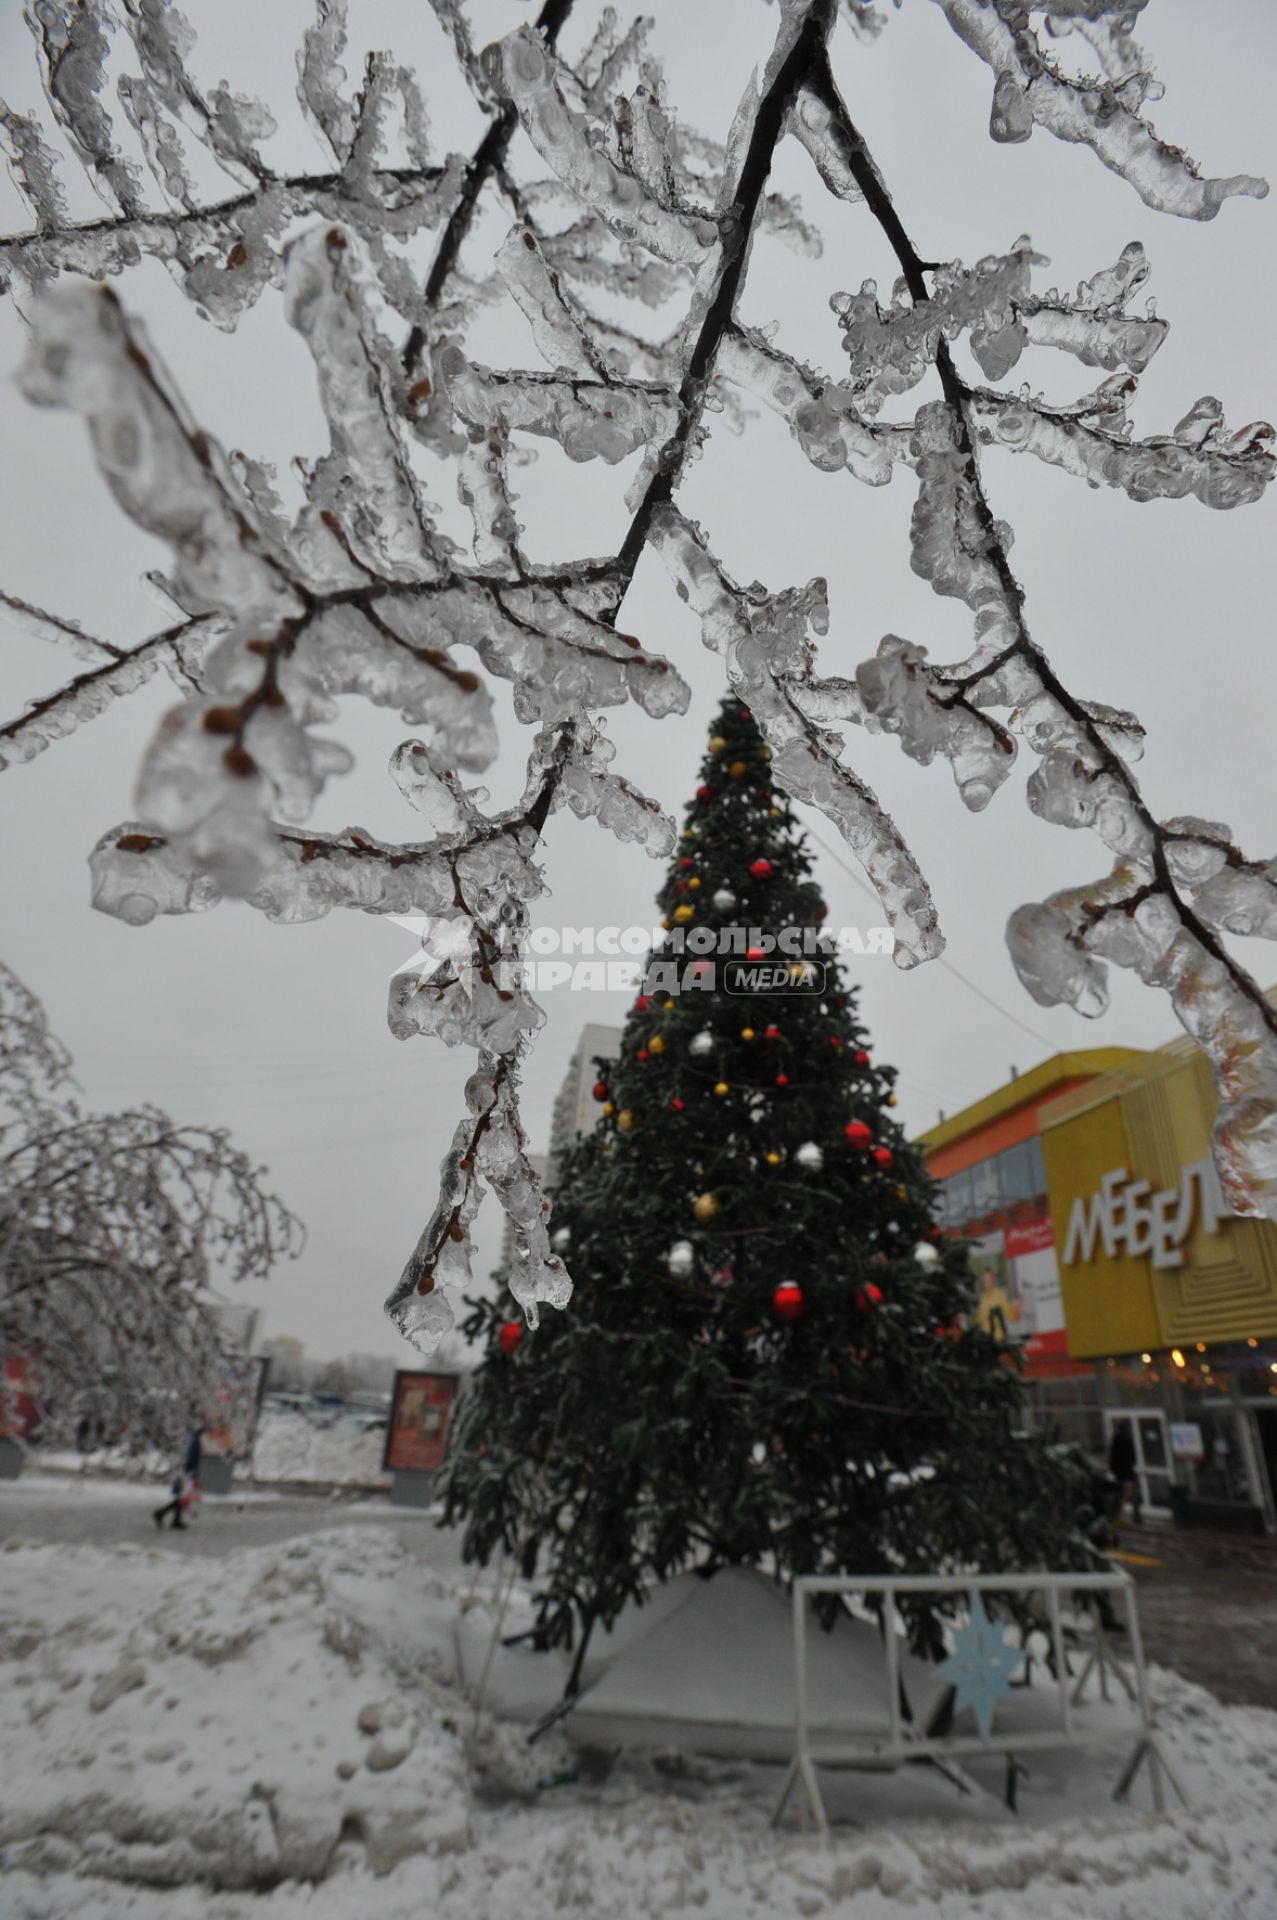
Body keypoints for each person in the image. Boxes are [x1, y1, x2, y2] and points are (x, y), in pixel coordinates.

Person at [153, 1419, 203, 1532]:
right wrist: (191, 1473)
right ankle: (161, 1513)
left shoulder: (192, 1438)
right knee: (184, 1497)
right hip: (187, 1473)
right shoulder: (195, 1440)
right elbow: (191, 1458)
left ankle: (174, 1519)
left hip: (184, 1471)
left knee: (181, 1496)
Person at [1107, 1419, 1141, 1524]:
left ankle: (1116, 1515)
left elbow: (1113, 1457)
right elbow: (1132, 1455)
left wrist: (1112, 1469)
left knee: (1119, 1494)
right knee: (1133, 1493)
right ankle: (1136, 1515)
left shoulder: (1115, 1441)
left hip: (1120, 1473)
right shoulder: (1127, 1440)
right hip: (1128, 1472)